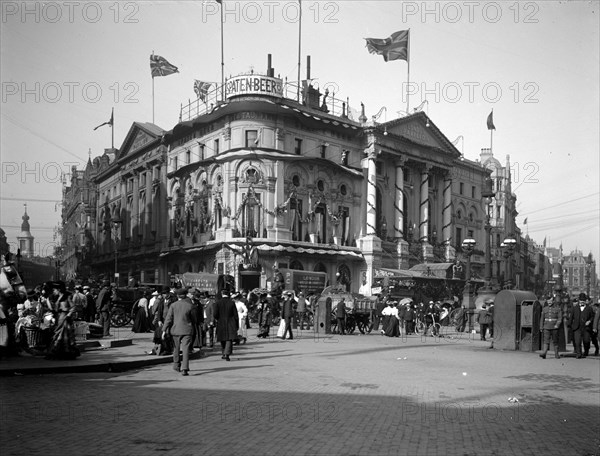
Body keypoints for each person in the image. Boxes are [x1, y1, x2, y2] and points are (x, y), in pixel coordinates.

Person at [163, 287, 197, 376]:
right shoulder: (190, 306)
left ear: (177, 296)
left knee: (176, 348)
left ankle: (176, 365)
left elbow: (168, 319)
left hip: (176, 330)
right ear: (185, 295)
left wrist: (164, 330)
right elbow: (194, 319)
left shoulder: (173, 305)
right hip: (187, 329)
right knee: (185, 349)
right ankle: (185, 368)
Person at [46, 281, 80, 360]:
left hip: (65, 317)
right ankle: (56, 352)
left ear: (59, 289)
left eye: (55, 289)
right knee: (57, 334)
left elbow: (73, 307)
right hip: (58, 317)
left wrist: (69, 315)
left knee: (65, 335)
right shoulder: (55, 298)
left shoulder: (68, 296)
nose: (54, 291)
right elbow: (53, 308)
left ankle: (67, 352)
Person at [214, 290, 238, 361]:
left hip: (221, 322)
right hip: (230, 322)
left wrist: (217, 318)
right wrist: (237, 324)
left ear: (222, 294)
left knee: (222, 338)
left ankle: (224, 352)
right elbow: (235, 314)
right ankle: (227, 353)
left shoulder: (218, 303)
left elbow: (215, 314)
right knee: (229, 339)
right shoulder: (232, 303)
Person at [570, 293, 595, 358]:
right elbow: (571, 317)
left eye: (583, 300)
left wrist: (589, 321)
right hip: (577, 327)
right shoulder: (574, 308)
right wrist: (570, 325)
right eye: (581, 300)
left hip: (586, 328)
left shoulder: (589, 308)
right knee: (577, 341)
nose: (582, 302)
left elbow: (592, 316)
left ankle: (586, 351)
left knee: (586, 341)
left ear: (585, 300)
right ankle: (579, 353)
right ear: (579, 300)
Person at [539, 295, 563, 359]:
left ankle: (556, 354)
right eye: (548, 300)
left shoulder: (557, 308)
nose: (549, 302)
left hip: (554, 327)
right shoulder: (544, 309)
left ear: (553, 301)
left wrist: (557, 325)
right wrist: (541, 327)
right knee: (546, 340)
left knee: (555, 341)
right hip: (546, 327)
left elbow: (560, 318)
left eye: (551, 300)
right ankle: (544, 353)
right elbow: (542, 319)